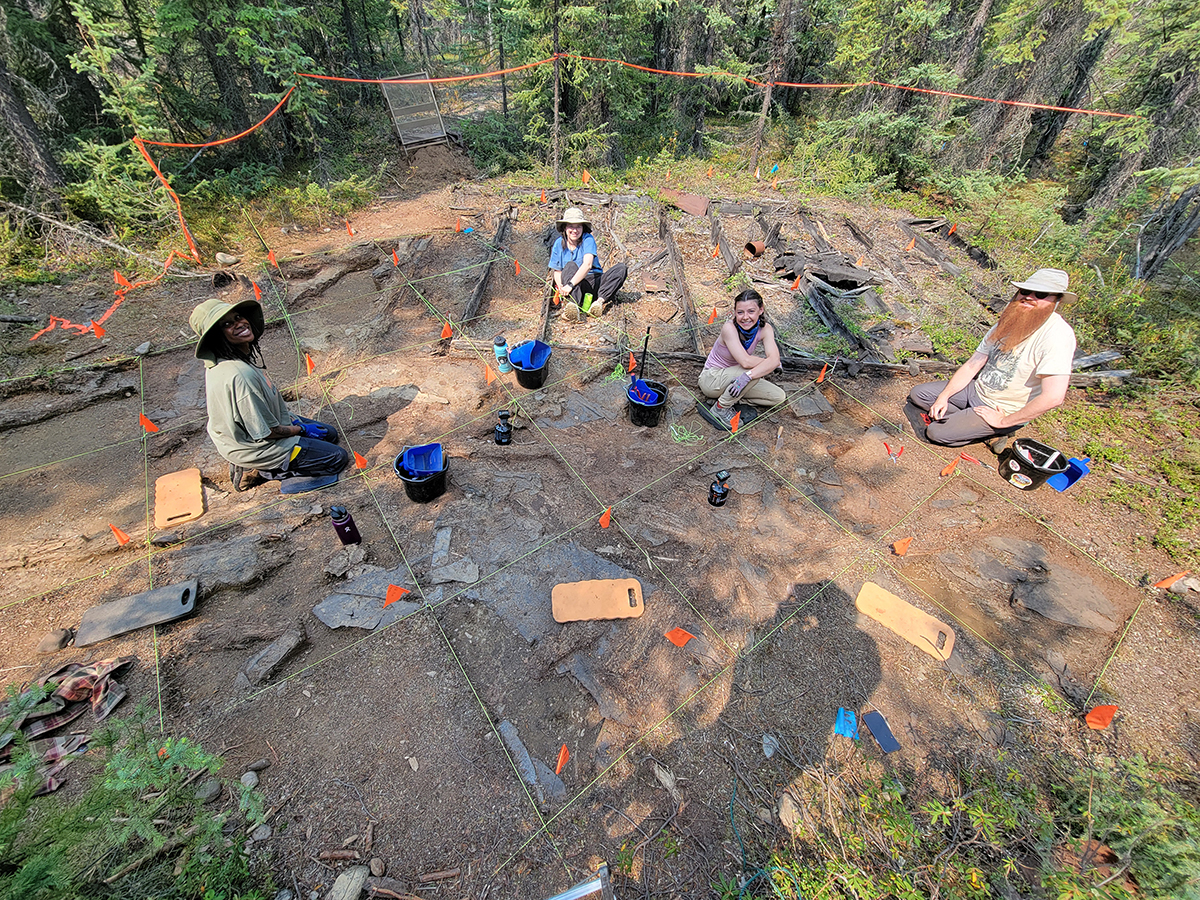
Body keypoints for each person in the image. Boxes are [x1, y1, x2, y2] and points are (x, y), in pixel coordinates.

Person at [190, 297, 349, 492]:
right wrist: (301, 430)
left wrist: (296, 424)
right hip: (257, 446)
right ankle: (273, 472)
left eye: (238, 317)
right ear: (216, 336)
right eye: (227, 324)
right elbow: (267, 432)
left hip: (265, 424)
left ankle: (288, 459)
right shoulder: (240, 375)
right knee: (336, 458)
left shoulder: (232, 357)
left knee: (329, 435)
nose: (239, 324)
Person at [908, 268, 1077, 448]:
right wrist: (944, 396)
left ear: (1056, 300)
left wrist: (1003, 421)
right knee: (919, 395)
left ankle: (996, 431)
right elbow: (972, 366)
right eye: (1025, 291)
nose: (1029, 297)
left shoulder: (1058, 335)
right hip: (977, 390)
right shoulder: (1011, 318)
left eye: (1041, 294)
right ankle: (970, 422)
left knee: (937, 432)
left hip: (1002, 409)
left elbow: (1053, 397)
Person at [697, 289, 785, 431]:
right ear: (734, 312)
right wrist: (771, 363)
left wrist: (773, 362)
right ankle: (720, 407)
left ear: (760, 310)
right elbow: (745, 362)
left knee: (778, 397)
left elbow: (774, 358)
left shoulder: (765, 329)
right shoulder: (729, 328)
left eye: (751, 311)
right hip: (712, 379)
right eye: (740, 312)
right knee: (754, 371)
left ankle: (728, 397)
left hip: (736, 378)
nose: (745, 317)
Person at [549, 207, 627, 322]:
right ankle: (573, 305)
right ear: (565, 227)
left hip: (593, 281)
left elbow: (588, 264)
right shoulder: (558, 244)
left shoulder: (588, 239)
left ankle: (599, 302)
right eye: (571, 226)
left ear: (582, 228)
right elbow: (557, 271)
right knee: (570, 265)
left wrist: (569, 285)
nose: (574, 230)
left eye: (578, 226)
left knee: (621, 268)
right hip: (575, 287)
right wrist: (561, 287)